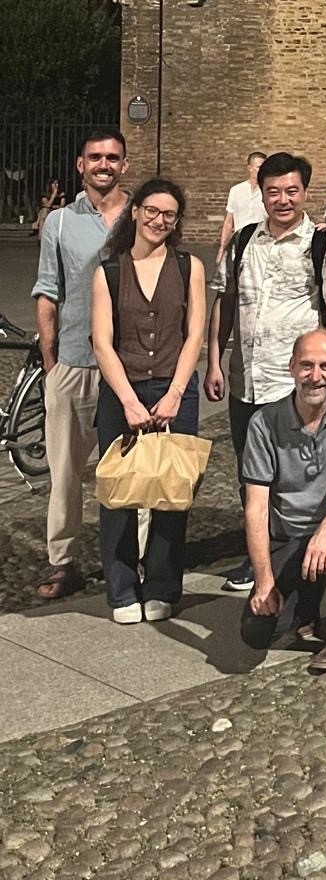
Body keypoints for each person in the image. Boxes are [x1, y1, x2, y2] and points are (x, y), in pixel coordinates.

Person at [206, 151, 326, 593]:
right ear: (260, 193)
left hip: (293, 381)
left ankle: (296, 555)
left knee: (296, 474)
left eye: (291, 191)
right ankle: (256, 555)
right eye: (273, 191)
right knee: (250, 473)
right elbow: (225, 301)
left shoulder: (320, 243)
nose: (282, 200)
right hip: (247, 379)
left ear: (304, 192)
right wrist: (213, 361)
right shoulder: (242, 242)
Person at [90, 178, 208, 622]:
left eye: (169, 215)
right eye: (153, 211)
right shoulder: (109, 271)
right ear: (136, 211)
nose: (160, 221)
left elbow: (195, 331)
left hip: (174, 389)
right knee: (119, 492)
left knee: (171, 491)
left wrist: (177, 392)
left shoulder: (188, 267)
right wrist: (128, 401)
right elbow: (103, 342)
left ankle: (162, 583)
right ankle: (121, 588)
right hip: (123, 389)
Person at [240, 329, 326, 670]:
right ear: (291, 368)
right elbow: (256, 508)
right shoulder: (264, 423)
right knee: (256, 632)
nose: (316, 377)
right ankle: (304, 606)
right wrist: (264, 580)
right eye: (306, 366)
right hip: (290, 537)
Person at [32, 129, 130, 601]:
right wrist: (52, 363)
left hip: (129, 367)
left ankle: (135, 563)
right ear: (80, 165)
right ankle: (63, 561)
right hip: (73, 359)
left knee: (132, 473)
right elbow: (48, 291)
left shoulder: (143, 215)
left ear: (124, 165)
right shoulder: (60, 223)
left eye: (112, 157)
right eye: (95, 157)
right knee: (66, 473)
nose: (103, 164)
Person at [216, 151, 266, 266]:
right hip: (239, 243)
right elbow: (229, 222)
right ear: (250, 168)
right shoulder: (236, 190)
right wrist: (222, 249)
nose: (262, 170)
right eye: (259, 167)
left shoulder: (269, 192)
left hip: (261, 245)